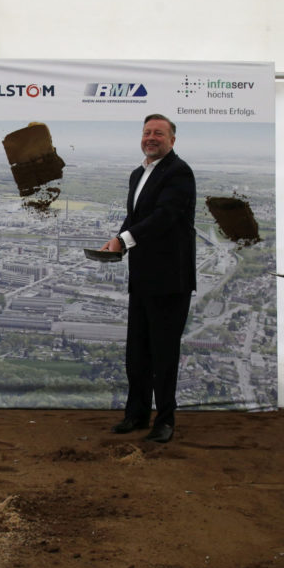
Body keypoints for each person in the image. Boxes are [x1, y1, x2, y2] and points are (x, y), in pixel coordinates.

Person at [100, 114, 197, 443]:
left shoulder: (179, 172)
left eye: (159, 133)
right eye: (146, 132)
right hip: (141, 277)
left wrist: (124, 240)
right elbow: (135, 217)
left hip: (170, 280)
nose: (151, 137)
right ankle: (137, 414)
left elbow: (164, 217)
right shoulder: (137, 174)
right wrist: (117, 242)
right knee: (137, 352)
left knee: (164, 354)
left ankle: (165, 420)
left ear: (172, 140)